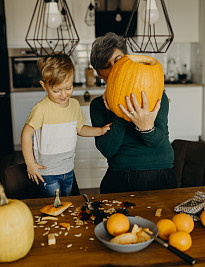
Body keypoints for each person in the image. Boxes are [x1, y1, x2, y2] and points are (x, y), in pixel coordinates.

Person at [89, 32, 177, 194]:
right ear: (100, 75)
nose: (115, 68)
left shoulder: (156, 94)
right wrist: (121, 115)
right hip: (121, 171)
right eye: (106, 66)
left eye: (118, 60)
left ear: (129, 60)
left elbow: (157, 142)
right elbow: (107, 150)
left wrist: (147, 128)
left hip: (160, 168)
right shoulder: (98, 105)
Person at [21, 52, 111, 197]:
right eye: (56, 90)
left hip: (68, 170)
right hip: (47, 173)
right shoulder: (41, 109)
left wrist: (99, 131)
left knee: (67, 206)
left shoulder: (74, 105)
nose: (63, 95)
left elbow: (80, 128)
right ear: (44, 87)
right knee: (53, 208)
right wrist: (30, 164)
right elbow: (26, 134)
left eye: (68, 88)